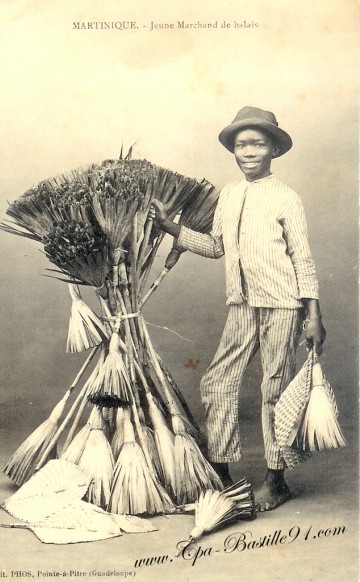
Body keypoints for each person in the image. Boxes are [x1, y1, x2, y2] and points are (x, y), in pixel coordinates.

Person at [149, 106, 326, 511]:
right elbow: (215, 248)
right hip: (243, 303)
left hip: (283, 304)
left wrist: (313, 316)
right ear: (233, 150)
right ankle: (222, 473)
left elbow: (303, 259)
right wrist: (172, 228)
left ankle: (275, 480)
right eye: (242, 144)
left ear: (273, 151)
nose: (249, 151)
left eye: (258, 144)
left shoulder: (286, 198)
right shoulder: (229, 195)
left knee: (273, 388)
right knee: (217, 382)